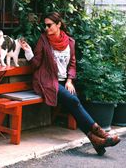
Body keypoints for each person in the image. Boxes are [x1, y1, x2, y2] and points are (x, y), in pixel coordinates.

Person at [20, 11, 120, 156]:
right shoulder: (43, 40)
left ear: (58, 24)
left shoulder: (70, 42)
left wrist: (69, 80)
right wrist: (29, 53)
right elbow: (35, 65)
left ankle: (96, 141)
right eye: (45, 26)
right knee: (73, 100)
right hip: (47, 81)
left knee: (72, 104)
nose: (46, 29)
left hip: (63, 82)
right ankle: (102, 134)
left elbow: (72, 64)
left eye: (49, 25)